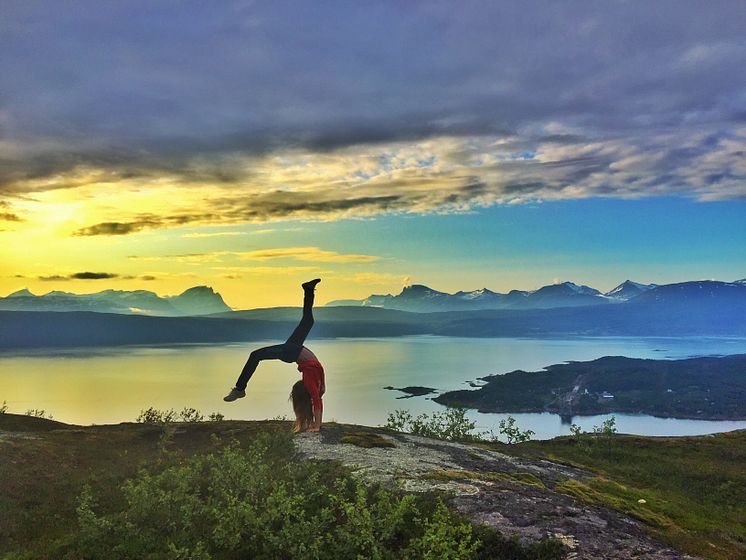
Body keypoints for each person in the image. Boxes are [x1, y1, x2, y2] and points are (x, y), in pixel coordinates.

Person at [223, 279, 326, 432]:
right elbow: (317, 401)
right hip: (295, 349)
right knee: (308, 321)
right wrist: (317, 424)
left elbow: (317, 401)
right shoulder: (316, 386)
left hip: (290, 352)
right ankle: (308, 290)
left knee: (255, 355)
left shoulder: (310, 382)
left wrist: (317, 426)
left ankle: (239, 389)